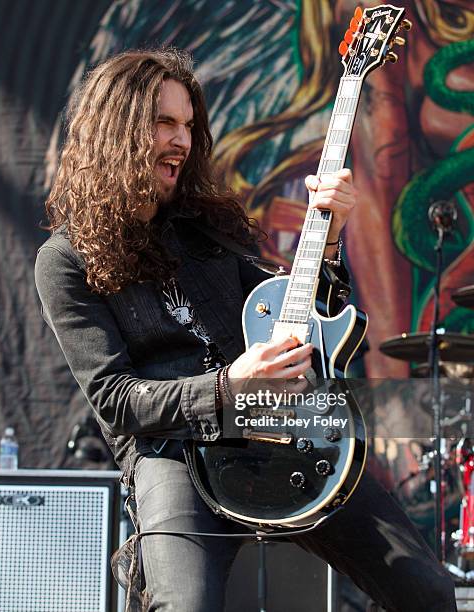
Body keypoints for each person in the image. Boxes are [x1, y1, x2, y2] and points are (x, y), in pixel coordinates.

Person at [35, 49, 456, 611]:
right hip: (173, 452)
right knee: (185, 605)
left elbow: (297, 308)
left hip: (282, 428)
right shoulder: (65, 259)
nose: (181, 140)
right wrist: (228, 384)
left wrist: (328, 241)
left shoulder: (207, 227)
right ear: (118, 128)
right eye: (164, 123)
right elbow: (117, 401)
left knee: (427, 590)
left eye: (188, 124)